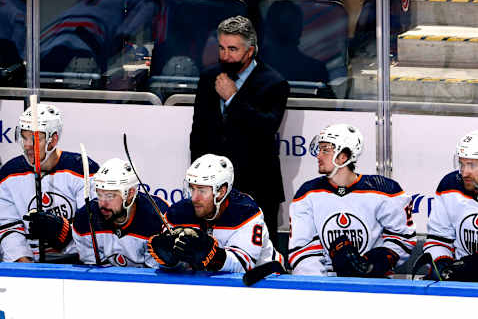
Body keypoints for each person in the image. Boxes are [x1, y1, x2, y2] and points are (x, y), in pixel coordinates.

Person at [190, 15, 289, 248]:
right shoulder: (208, 77)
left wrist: (233, 98)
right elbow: (198, 133)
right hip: (213, 187)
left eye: (233, 49)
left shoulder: (274, 82)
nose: (225, 56)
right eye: (222, 48)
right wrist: (197, 181)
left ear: (250, 51)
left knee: (262, 253)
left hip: (257, 185)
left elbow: (266, 127)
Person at [288, 124, 416, 277]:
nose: (318, 156)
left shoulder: (384, 190)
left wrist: (374, 264)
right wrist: (322, 287)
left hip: (374, 282)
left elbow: (402, 239)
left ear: (343, 156)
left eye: (325, 150)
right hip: (326, 282)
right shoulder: (307, 194)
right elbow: (302, 249)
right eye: (320, 149)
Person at [147, 154, 283, 272]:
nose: (194, 198)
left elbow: (243, 265)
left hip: (266, 281)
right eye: (192, 189)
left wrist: (213, 255)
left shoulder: (246, 213)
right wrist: (170, 261)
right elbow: (178, 267)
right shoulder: (177, 214)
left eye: (201, 190)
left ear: (221, 192)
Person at [0, 103, 99, 262]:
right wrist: (26, 270)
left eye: (34, 139)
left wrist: (63, 232)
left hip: (75, 265)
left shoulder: (82, 169)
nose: (27, 145)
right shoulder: (8, 174)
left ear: (53, 140)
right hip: (29, 266)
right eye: (24, 137)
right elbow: (8, 228)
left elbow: (94, 233)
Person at [27, 158, 171, 267]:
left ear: (130, 193)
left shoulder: (158, 216)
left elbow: (157, 276)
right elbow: (93, 269)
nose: (102, 203)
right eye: (99, 194)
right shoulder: (86, 218)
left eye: (110, 196)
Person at [423, 130, 478, 282]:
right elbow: (438, 239)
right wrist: (442, 264)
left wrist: (469, 266)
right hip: (462, 283)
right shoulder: (450, 185)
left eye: (472, 165)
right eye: (462, 164)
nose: (464, 172)